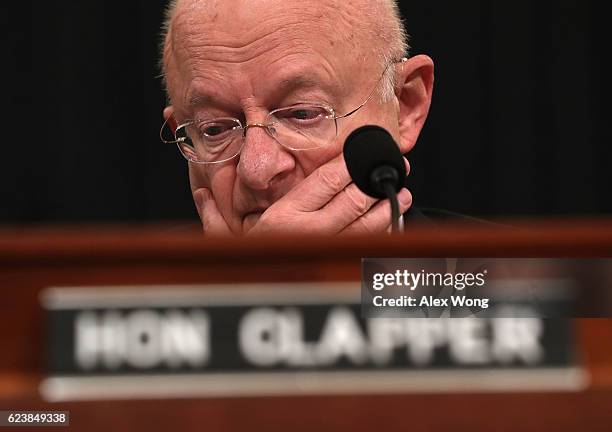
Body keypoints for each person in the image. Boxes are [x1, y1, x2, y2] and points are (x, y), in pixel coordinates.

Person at [159, 0, 434, 235]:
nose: (256, 169)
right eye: (215, 129)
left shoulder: (470, 283)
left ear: (405, 107)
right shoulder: (133, 289)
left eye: (302, 113)